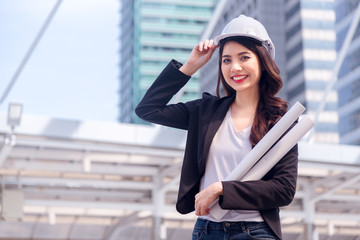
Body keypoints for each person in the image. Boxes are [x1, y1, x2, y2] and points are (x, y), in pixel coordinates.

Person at [135, 15, 298, 240]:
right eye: (226, 60)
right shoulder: (205, 111)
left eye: (244, 57)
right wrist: (190, 67)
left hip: (255, 231)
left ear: (262, 61)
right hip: (206, 230)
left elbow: (283, 190)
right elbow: (148, 109)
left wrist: (221, 188)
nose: (235, 67)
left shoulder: (279, 120)